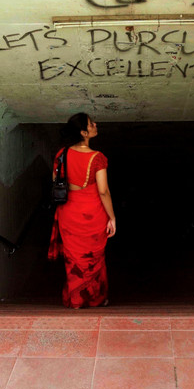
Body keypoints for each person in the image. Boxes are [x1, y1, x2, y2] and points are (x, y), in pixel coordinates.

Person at [48, 113, 116, 309]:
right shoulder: (97, 158)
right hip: (92, 213)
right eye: (91, 124)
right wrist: (112, 217)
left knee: (74, 259)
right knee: (94, 259)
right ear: (84, 133)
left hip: (68, 212)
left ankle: (76, 300)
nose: (95, 124)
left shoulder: (61, 154)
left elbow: (55, 180)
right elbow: (103, 191)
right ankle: (96, 298)